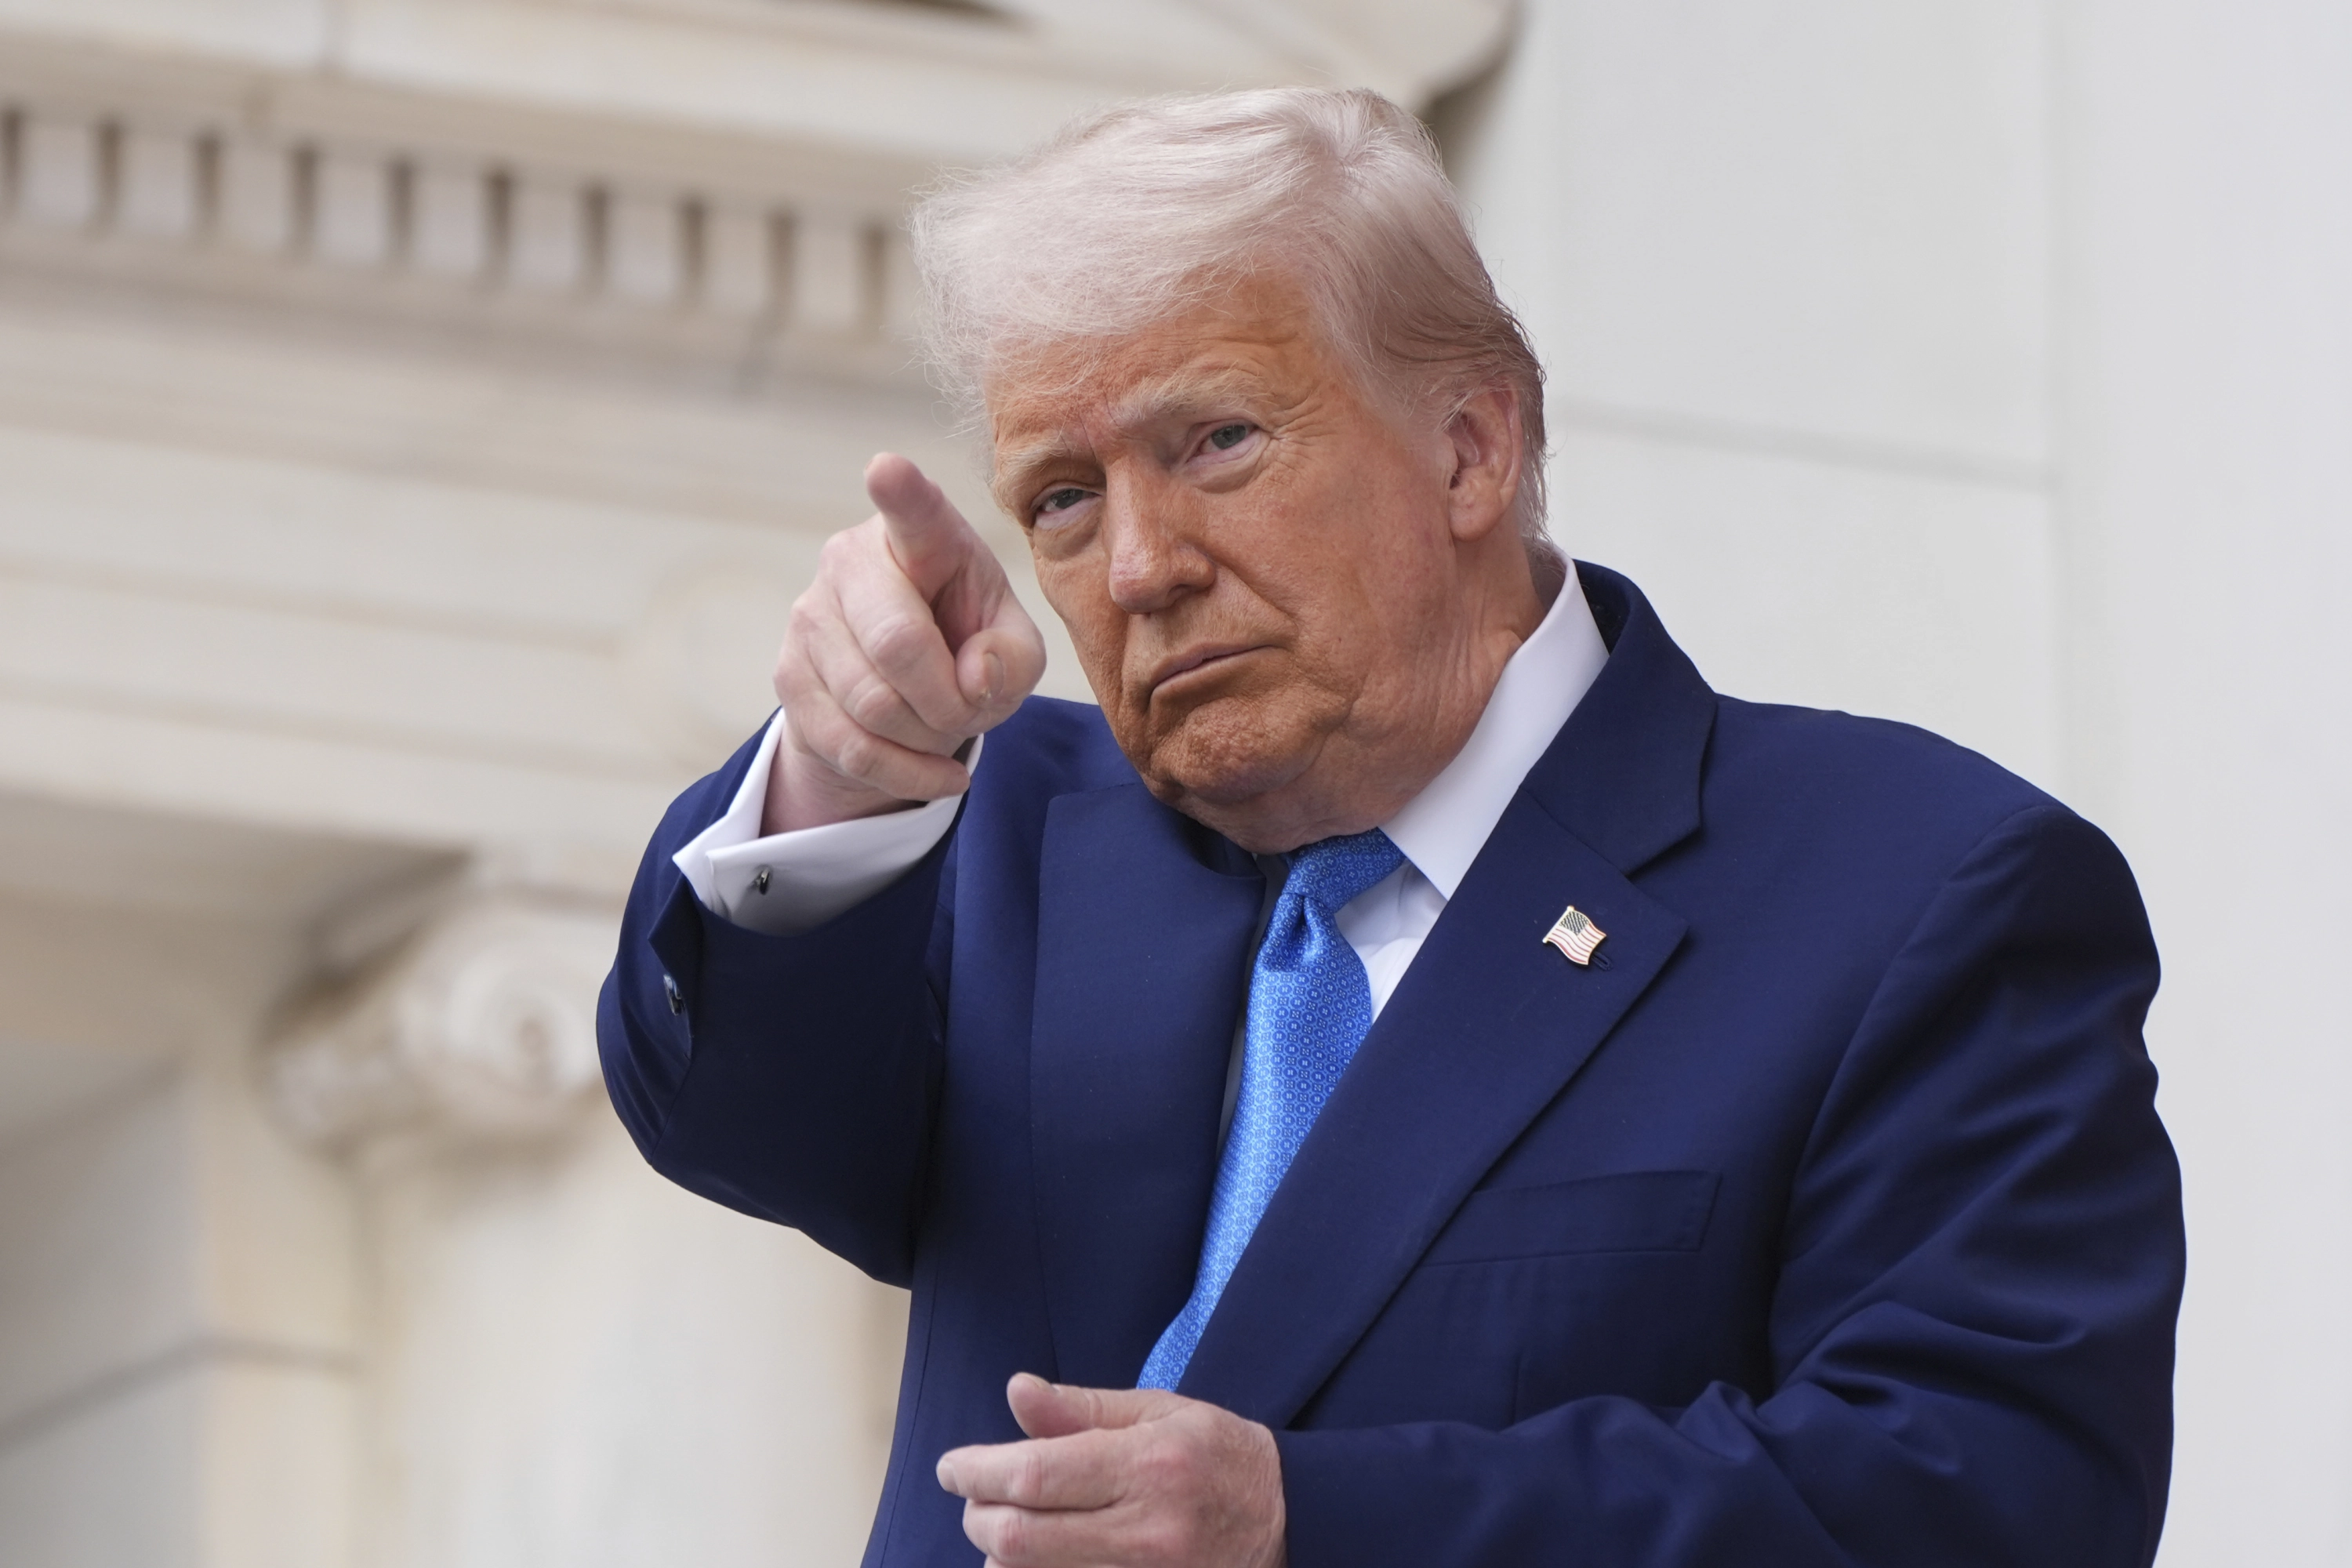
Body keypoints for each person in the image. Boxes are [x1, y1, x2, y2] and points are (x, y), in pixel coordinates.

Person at [598, 88, 2182, 1568]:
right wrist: (842, 775)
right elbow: (726, 1111)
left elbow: (1989, 1493)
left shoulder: (1912, 893)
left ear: (1472, 446)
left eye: (1217, 441)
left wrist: (1311, 1522)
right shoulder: (1002, 831)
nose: (1140, 566)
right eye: (1065, 497)